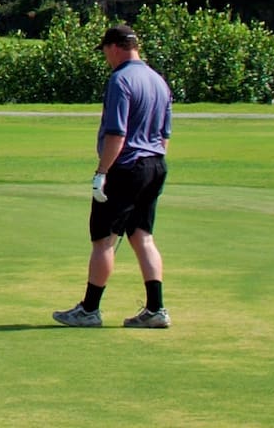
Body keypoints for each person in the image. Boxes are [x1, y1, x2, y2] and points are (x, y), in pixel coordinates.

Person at [54, 24, 173, 329]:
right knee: (142, 236)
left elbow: (116, 134)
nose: (106, 57)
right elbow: (164, 136)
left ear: (115, 47)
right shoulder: (158, 80)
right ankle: (156, 308)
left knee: (104, 240)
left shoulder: (121, 79)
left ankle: (89, 310)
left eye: (105, 50)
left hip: (127, 167)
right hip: (155, 164)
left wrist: (102, 172)